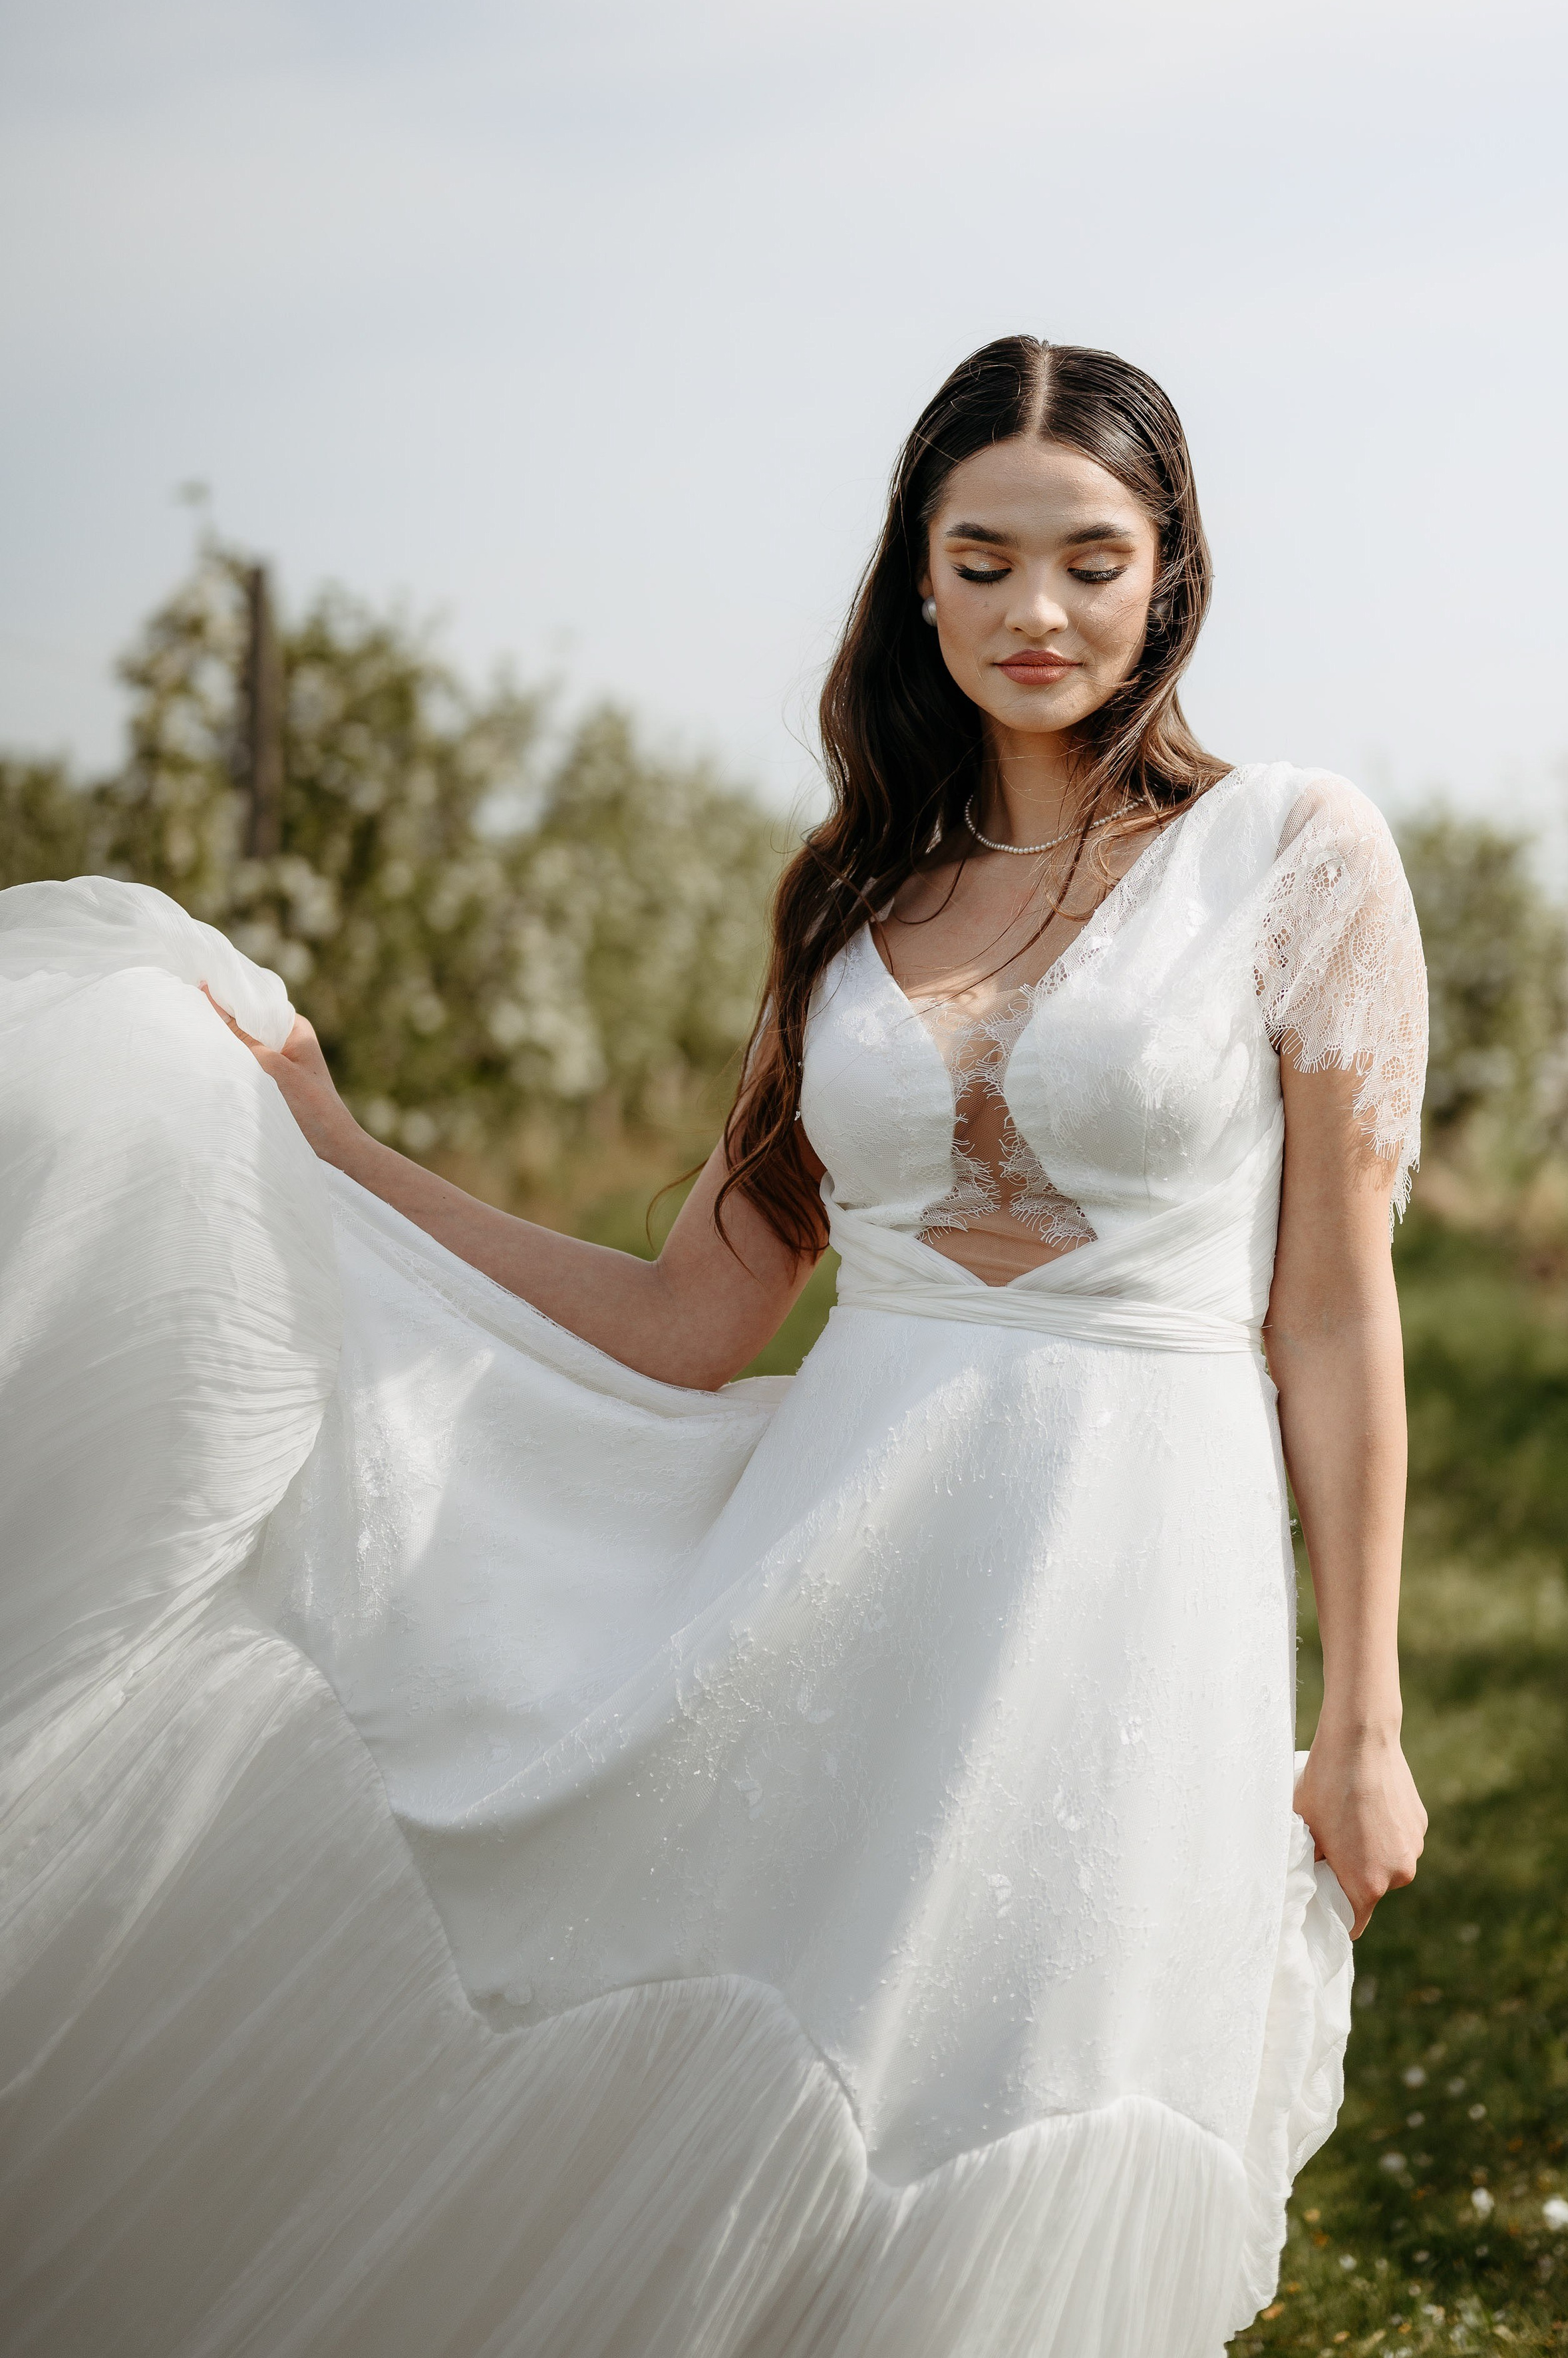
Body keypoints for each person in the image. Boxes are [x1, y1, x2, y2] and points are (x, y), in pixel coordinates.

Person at [0, 335, 1428, 2358]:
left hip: (1139, 1583)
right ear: (915, 579)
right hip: (841, 1568)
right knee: (800, 2082)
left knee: (1043, 2079)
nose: (1039, 612)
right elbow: (692, 1316)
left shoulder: (1297, 851)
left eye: (1093, 560)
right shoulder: (849, 900)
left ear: (1172, 572)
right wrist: (340, 1154)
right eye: (985, 557)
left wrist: (1360, 1721)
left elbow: (1336, 1317)